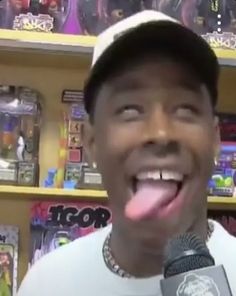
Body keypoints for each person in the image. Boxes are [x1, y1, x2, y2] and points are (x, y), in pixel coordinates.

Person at [17, 10, 236, 296]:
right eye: (130, 110)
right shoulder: (46, 284)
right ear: (91, 141)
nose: (160, 133)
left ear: (215, 138)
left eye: (185, 108)